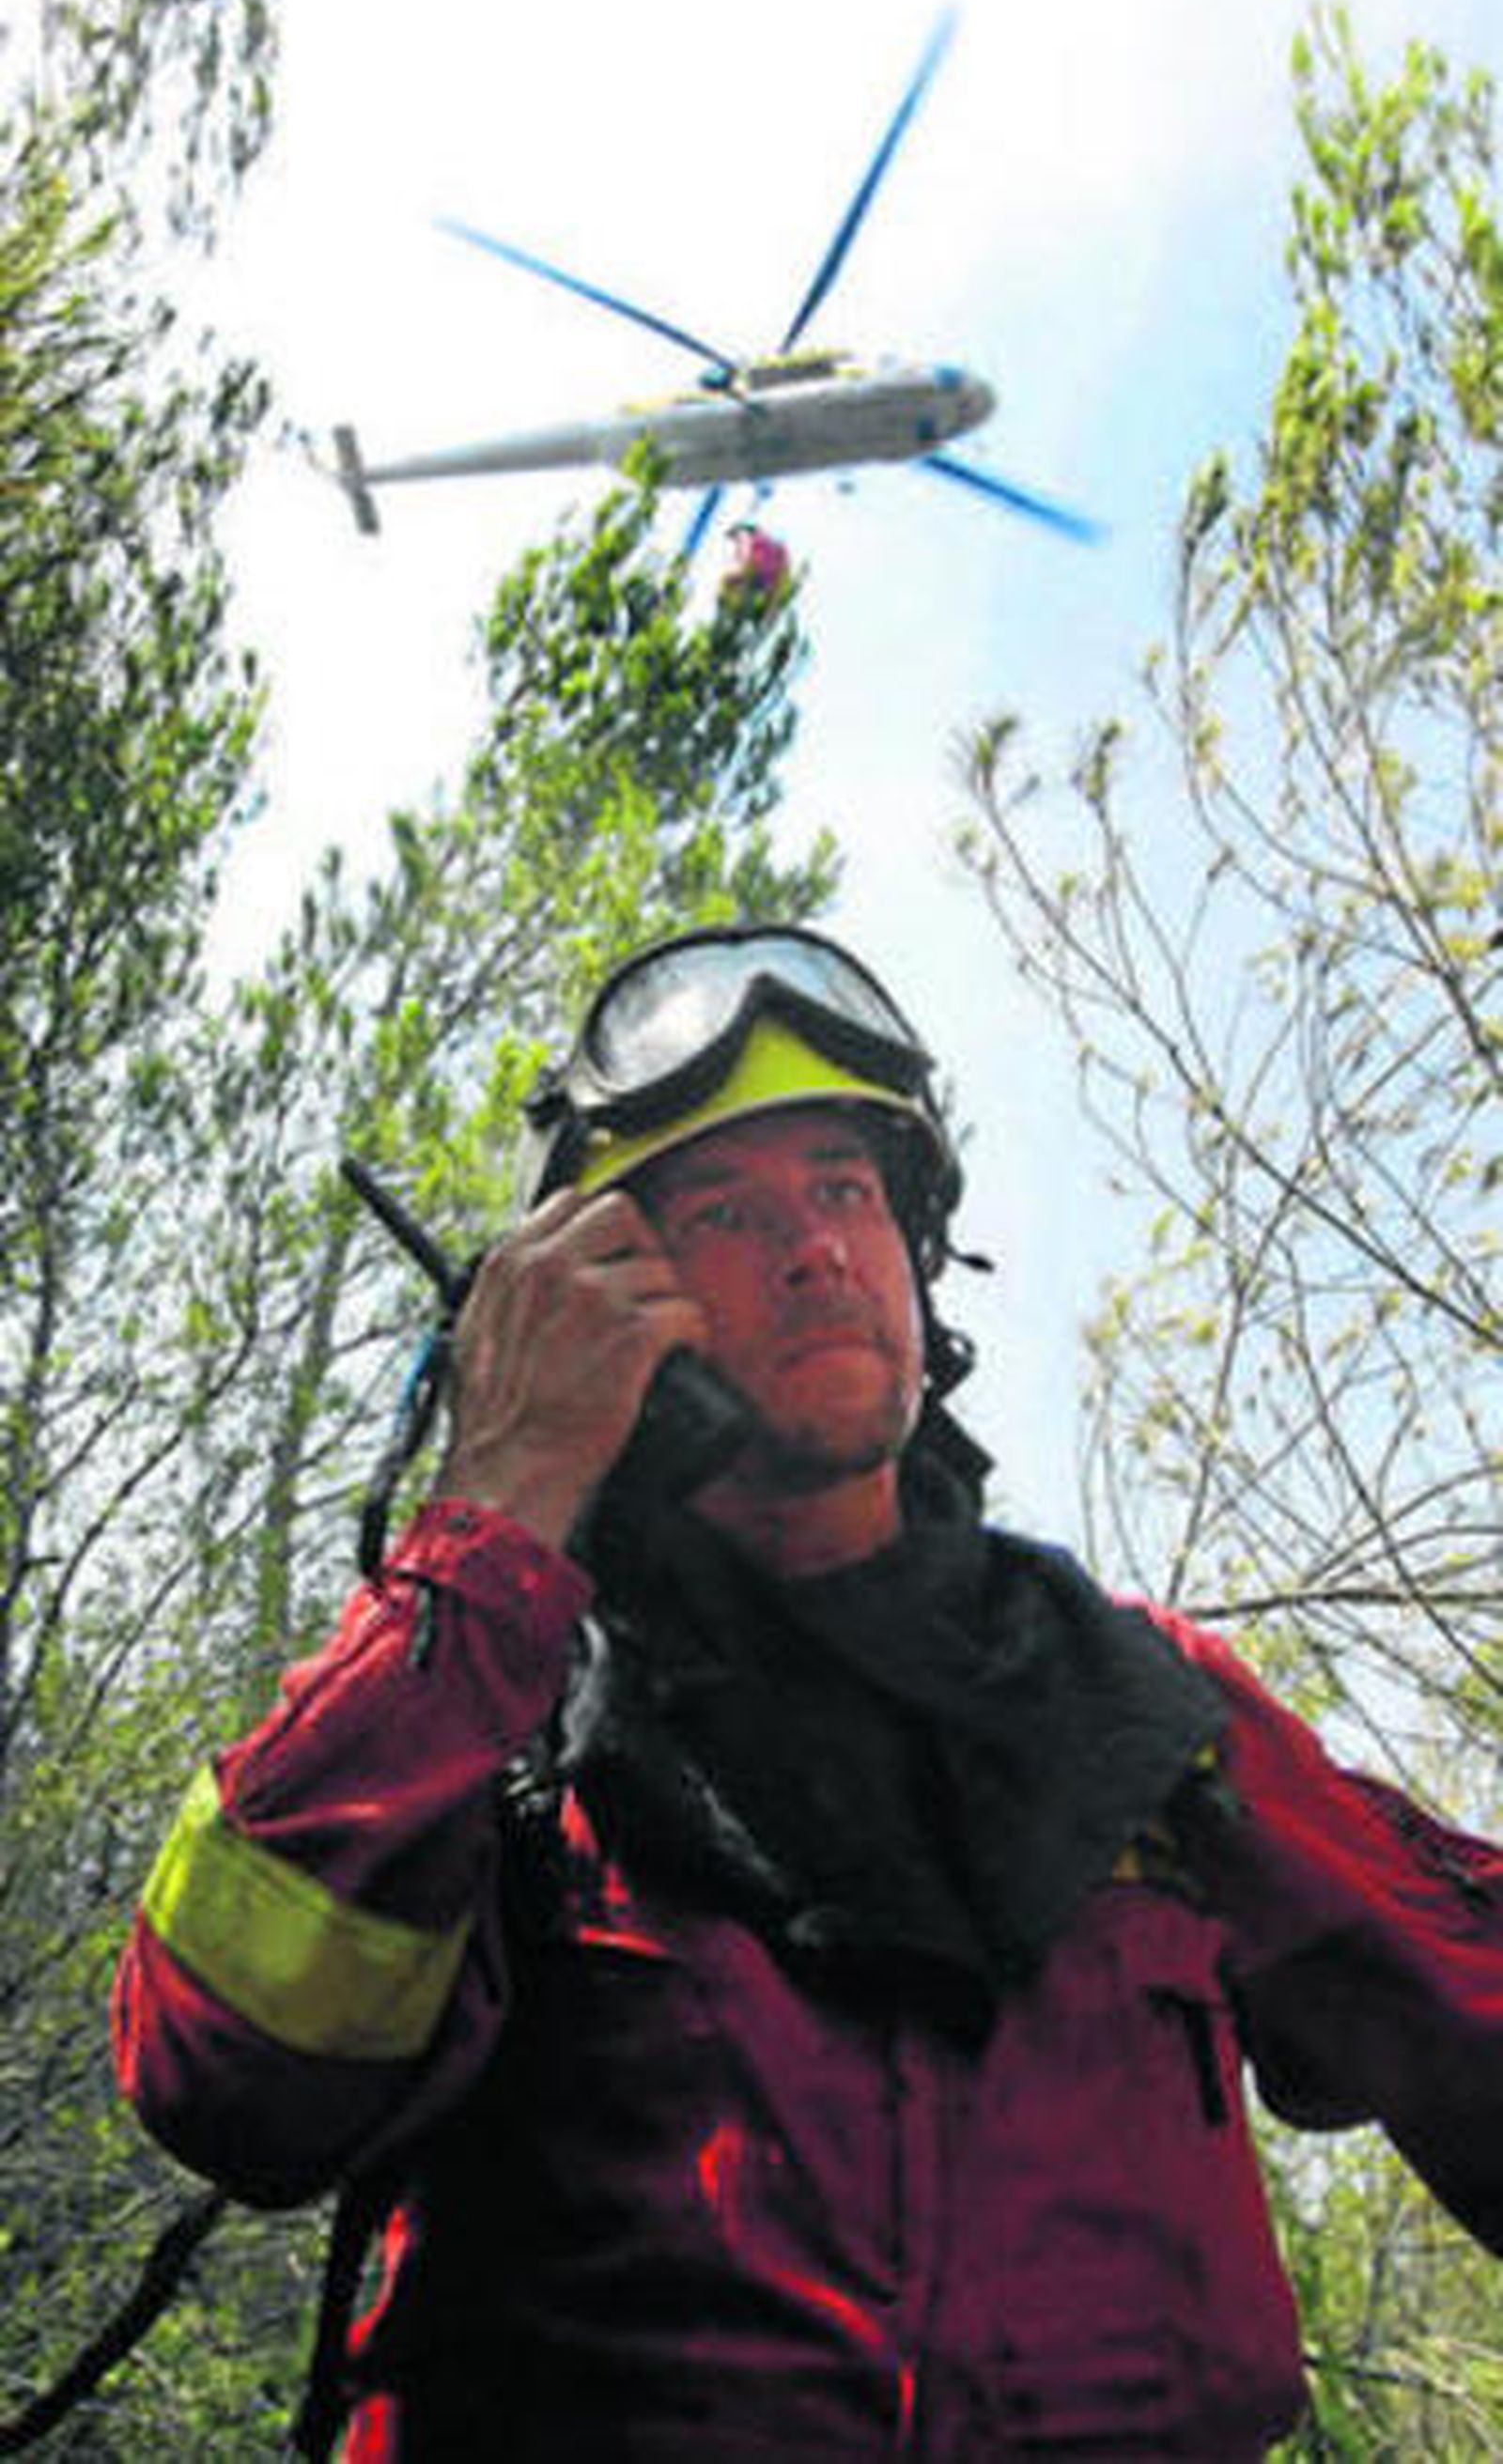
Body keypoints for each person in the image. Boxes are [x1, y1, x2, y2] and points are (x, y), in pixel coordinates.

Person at [114, 923, 1503, 2461]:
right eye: (729, 1208)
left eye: (847, 1190)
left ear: (919, 1257)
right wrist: (499, 1502)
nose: (816, 1248)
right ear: (608, 1293)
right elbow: (223, 2081)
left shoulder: (1145, 1709)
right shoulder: (494, 1723)